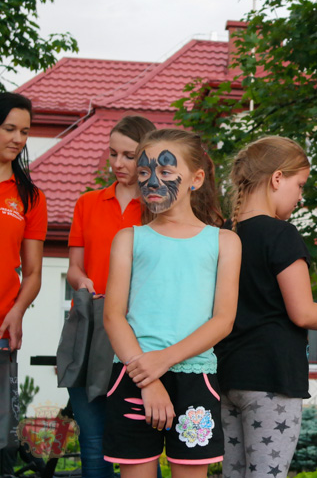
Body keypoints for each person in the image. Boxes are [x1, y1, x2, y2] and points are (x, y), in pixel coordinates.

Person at [217, 136, 317, 478]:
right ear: (277, 178)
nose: (301, 197)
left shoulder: (222, 234)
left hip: (226, 375)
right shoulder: (281, 235)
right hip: (272, 377)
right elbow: (302, 312)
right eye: (300, 185)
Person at [102, 129, 241, 478]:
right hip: (134, 375)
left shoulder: (225, 242)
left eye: (165, 171)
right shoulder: (128, 239)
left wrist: (163, 360)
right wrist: (148, 379)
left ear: (196, 178)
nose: (152, 181)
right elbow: (113, 316)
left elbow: (223, 320)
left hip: (195, 379)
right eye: (144, 171)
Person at [66, 115, 156, 478]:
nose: (118, 163)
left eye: (129, 156)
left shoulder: (158, 209)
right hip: (89, 330)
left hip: (139, 336)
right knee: (93, 443)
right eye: (113, 153)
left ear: (147, 157)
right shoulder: (87, 203)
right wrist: (82, 281)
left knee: (141, 446)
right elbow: (74, 268)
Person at [0, 92, 45, 352]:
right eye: (9, 129)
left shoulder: (31, 197)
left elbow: (33, 273)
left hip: (2, 330)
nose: (18, 139)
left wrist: (18, 311)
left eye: (24, 132)